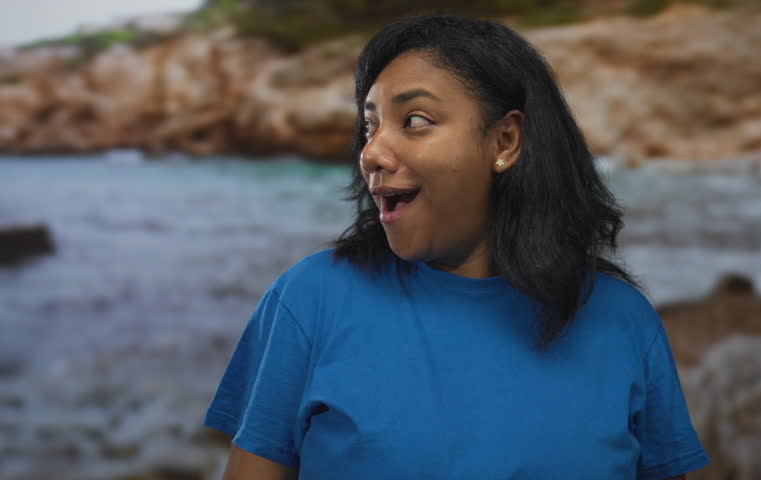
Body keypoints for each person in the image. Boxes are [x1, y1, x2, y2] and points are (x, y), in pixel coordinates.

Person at [202, 13, 710, 480]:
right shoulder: (310, 301)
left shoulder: (624, 323)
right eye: (369, 125)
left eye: (416, 121)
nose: (371, 151)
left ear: (506, 142)